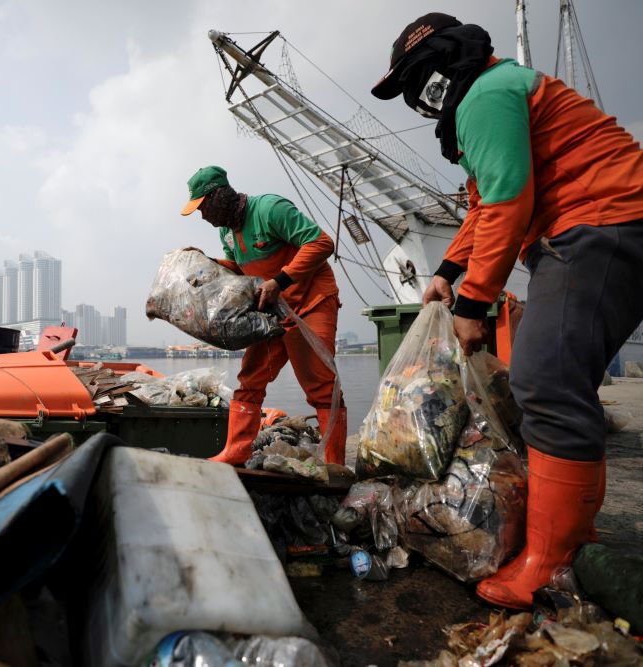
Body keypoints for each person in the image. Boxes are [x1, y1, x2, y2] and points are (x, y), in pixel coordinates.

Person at [371, 13, 643, 609]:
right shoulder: (495, 94)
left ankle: (549, 561)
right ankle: (573, 539)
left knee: (542, 381)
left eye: (414, 82)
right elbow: (481, 207)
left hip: (598, 224)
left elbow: (508, 201)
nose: (417, 101)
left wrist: (473, 303)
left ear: (438, 65)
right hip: (598, 228)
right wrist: (446, 272)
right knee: (562, 386)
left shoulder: (486, 96)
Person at [180, 165, 347, 465]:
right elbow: (238, 269)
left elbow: (321, 243)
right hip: (271, 312)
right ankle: (236, 451)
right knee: (250, 378)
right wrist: (204, 262)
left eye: (203, 207)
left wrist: (280, 281)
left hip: (311, 303)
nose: (203, 216)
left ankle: (334, 463)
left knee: (320, 383)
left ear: (220, 196)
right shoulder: (226, 233)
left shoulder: (271, 209)